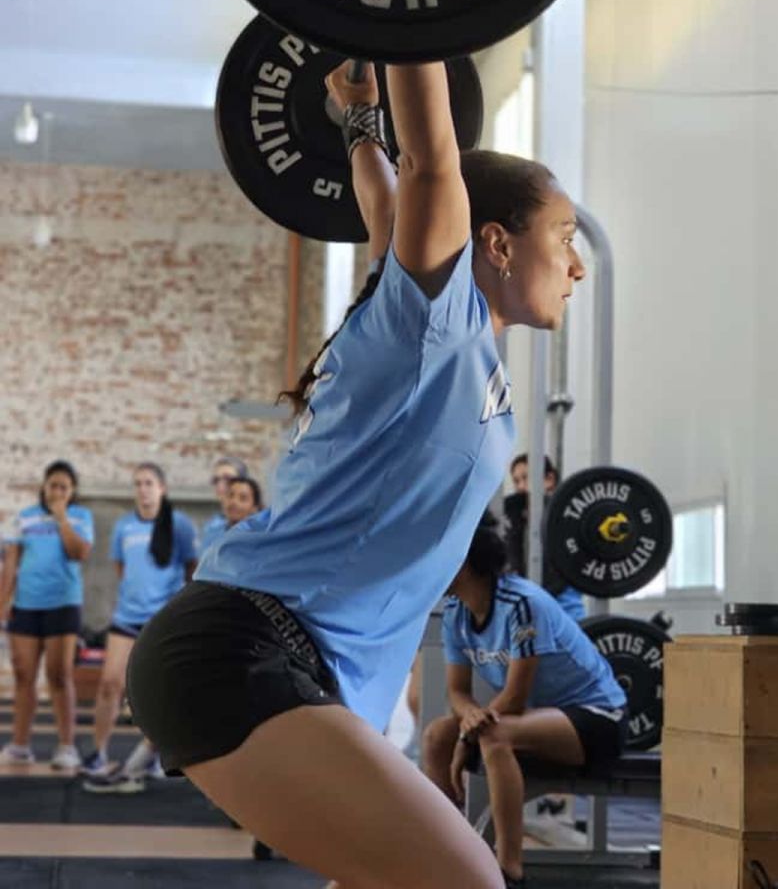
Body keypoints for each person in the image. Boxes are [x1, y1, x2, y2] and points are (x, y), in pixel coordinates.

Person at [126, 58, 585, 889]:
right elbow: (432, 165)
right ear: (496, 242)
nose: (577, 265)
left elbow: (384, 200)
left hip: (293, 667)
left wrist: (358, 119)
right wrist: (414, 6)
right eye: (564, 236)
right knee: (470, 881)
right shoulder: (433, 323)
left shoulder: (438, 335)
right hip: (245, 650)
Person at [422, 514, 628, 888]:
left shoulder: (521, 604)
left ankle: (509, 871)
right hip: (537, 716)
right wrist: (466, 719)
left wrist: (469, 736)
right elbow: (458, 692)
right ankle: (451, 851)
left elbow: (514, 697)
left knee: (494, 735)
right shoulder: (455, 613)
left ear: (466, 563)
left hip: (598, 718)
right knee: (437, 736)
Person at [82, 463, 197, 780]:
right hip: (127, 618)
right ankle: (99, 753)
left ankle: (152, 753)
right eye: (138, 484)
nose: (143, 489)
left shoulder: (181, 526)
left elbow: (192, 568)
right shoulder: (124, 526)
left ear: (162, 489)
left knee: (161, 690)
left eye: (149, 483)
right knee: (109, 684)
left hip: (163, 619)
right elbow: (121, 569)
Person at [0, 460, 93, 770]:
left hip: (63, 603)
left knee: (59, 674)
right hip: (26, 605)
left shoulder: (80, 517)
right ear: (44, 486)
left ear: (72, 491)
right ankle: (20, 744)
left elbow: (79, 553)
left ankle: (67, 746)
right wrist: (3, 603)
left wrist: (61, 517)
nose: (56, 491)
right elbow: (11, 562)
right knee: (24, 674)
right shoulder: (24, 518)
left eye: (63, 487)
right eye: (52, 485)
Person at [504, 454, 585, 623]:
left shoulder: (568, 514)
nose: (520, 486)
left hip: (563, 596)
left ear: (549, 479)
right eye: (516, 481)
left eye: (526, 478)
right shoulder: (516, 519)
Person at [198, 456, 249, 556]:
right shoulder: (211, 527)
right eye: (216, 480)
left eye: (228, 479)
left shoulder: (256, 525)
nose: (220, 485)